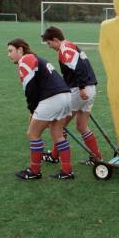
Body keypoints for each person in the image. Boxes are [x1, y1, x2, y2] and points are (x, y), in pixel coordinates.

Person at [6, 38, 74, 180]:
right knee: (57, 134)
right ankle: (67, 171)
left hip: (52, 98)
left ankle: (34, 171)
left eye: (11, 51)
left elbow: (30, 89)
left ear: (20, 50)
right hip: (66, 96)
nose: (9, 55)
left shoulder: (25, 60)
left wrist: (32, 110)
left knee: (33, 133)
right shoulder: (35, 58)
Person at [40, 26, 103, 166]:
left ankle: (56, 157)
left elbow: (79, 68)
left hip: (80, 91)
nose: (49, 47)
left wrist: (81, 88)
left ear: (56, 40)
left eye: (49, 43)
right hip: (90, 88)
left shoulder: (65, 50)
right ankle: (97, 158)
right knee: (82, 126)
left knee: (59, 126)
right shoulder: (72, 46)